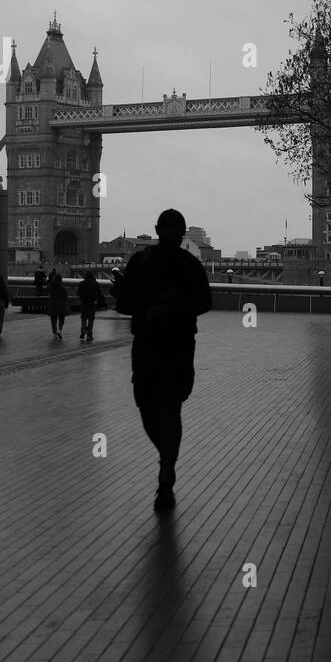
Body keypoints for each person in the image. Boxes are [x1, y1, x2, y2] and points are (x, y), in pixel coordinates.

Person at [115, 209, 213, 512]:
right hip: (180, 346)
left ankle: (165, 457)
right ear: (183, 233)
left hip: (146, 345)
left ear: (156, 229)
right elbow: (205, 303)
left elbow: (123, 303)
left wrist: (148, 311)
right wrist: (179, 309)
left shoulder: (140, 262)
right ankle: (167, 464)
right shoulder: (191, 265)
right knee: (172, 409)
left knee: (147, 407)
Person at [77, 269, 102, 342]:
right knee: (91, 319)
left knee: (84, 317)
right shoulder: (95, 283)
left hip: (84, 303)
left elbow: (78, 293)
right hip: (92, 303)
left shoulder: (82, 283)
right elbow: (99, 293)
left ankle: (83, 330)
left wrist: (82, 298)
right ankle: (89, 335)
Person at [47, 271, 69, 340]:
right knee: (61, 318)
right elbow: (66, 295)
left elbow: (47, 290)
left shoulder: (51, 286)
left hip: (53, 305)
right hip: (61, 305)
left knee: (53, 319)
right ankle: (60, 330)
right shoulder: (63, 287)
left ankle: (54, 333)